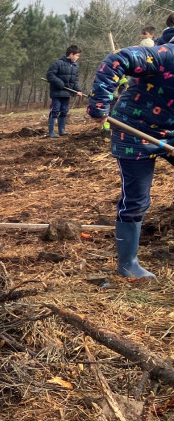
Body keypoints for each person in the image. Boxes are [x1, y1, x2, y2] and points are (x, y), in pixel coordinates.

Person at [86, 43, 174, 279]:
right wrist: (100, 104)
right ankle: (128, 264)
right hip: (134, 132)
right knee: (137, 199)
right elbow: (117, 60)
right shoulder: (164, 55)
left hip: (169, 130)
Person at [46, 45, 83, 138]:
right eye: (77, 55)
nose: (77, 58)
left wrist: (78, 90)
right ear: (71, 54)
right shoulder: (57, 63)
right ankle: (51, 132)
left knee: (64, 110)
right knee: (55, 110)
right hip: (57, 92)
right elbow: (50, 75)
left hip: (67, 93)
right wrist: (59, 83)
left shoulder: (75, 66)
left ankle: (61, 130)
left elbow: (75, 80)